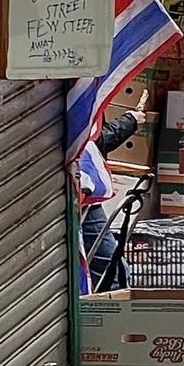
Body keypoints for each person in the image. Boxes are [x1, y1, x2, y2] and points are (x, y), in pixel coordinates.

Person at [80, 103, 146, 291]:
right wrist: (130, 121)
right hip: (84, 193)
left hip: (85, 193)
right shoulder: (84, 96)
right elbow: (94, 142)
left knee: (112, 270)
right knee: (112, 272)